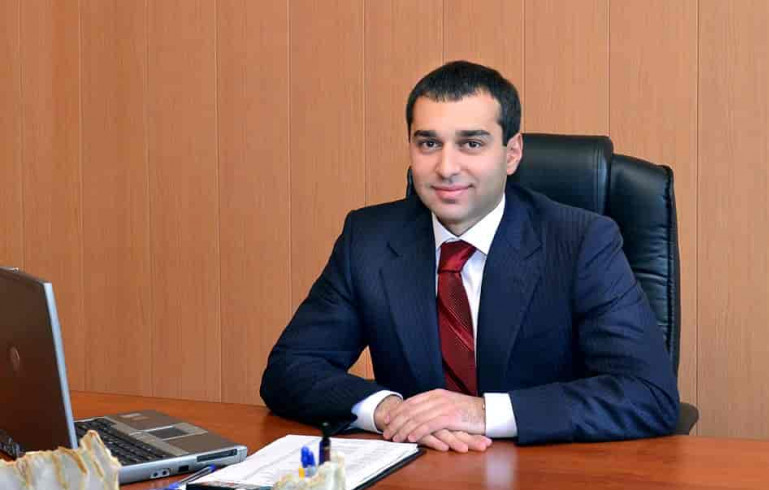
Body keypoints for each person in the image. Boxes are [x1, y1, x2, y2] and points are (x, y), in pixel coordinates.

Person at [260, 61, 679, 451]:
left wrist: (483, 414)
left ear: (512, 153)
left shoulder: (580, 242)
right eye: (429, 143)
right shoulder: (369, 239)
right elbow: (290, 368)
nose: (446, 167)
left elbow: (650, 394)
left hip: (544, 479)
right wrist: (387, 410)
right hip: (416, 474)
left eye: (471, 144)